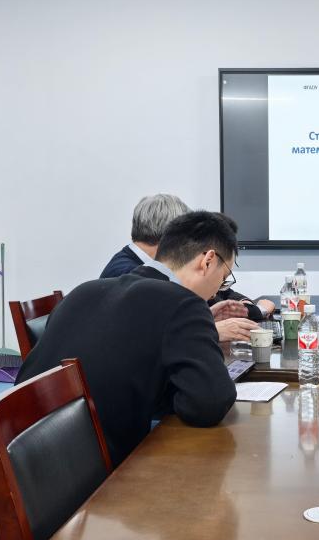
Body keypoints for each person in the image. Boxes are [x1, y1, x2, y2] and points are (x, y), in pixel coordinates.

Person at [17, 211, 241, 466]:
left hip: (23, 458)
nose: (217, 292)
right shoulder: (183, 304)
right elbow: (210, 403)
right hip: (95, 473)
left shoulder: (84, 290)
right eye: (224, 279)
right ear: (208, 261)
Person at [100, 193, 267, 339]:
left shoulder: (150, 269)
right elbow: (147, 334)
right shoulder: (126, 274)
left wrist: (208, 317)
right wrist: (211, 330)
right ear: (172, 232)